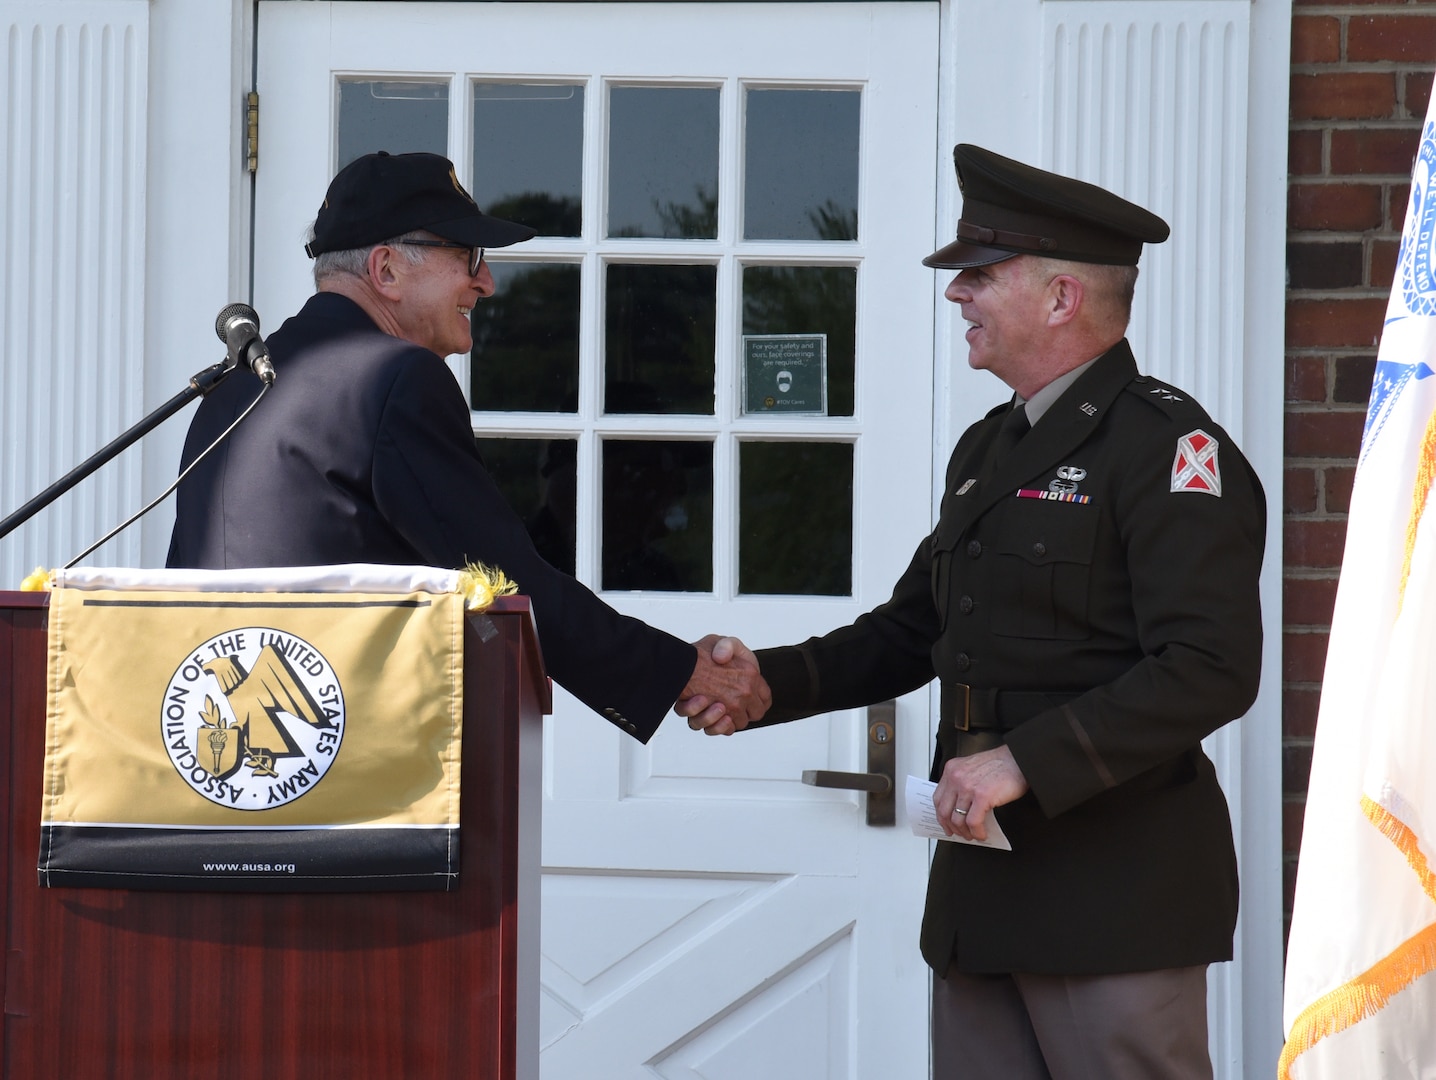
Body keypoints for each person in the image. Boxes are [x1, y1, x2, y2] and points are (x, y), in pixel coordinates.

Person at [681, 144, 1265, 1078]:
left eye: (981, 276)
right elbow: (914, 627)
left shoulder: (1169, 449)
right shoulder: (991, 446)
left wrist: (1024, 762)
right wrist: (767, 683)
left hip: (1114, 900)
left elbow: (1212, 665)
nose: (958, 296)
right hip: (985, 892)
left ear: (1062, 297)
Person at [167, 150, 767, 741]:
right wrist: (681, 674)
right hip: (346, 763)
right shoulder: (394, 375)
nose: (487, 281)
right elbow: (500, 575)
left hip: (221, 752)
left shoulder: (231, 383)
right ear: (386, 271)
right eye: (467, 256)